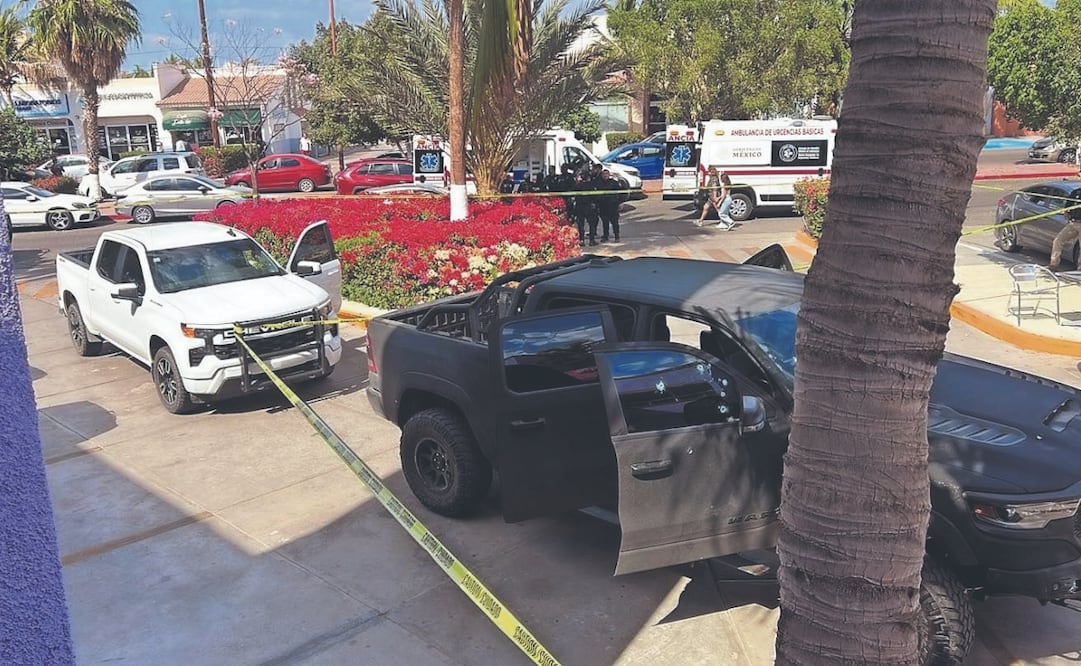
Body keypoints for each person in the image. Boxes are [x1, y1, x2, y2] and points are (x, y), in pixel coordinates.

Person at [1050, 205, 1081, 271]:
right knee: (1058, 240)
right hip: (1073, 223)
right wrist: (1066, 213)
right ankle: (1054, 264)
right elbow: (1068, 205)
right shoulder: (1076, 194)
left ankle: (1079, 269)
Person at [597, 168, 622, 242]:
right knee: (605, 222)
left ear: (609, 175)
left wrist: (620, 203)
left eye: (606, 174)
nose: (605, 176)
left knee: (615, 222)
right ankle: (605, 236)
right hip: (603, 206)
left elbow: (620, 193)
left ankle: (617, 236)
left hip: (613, 205)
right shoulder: (599, 183)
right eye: (603, 174)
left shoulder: (614, 183)